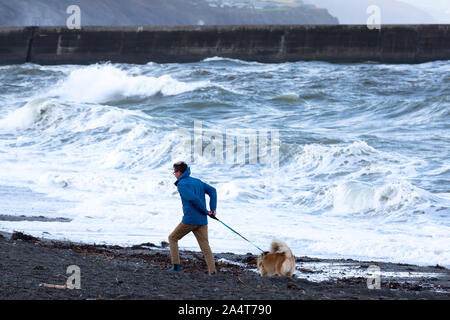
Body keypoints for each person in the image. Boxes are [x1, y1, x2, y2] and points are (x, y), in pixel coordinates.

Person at [168, 161, 217, 275]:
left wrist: (207, 211)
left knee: (172, 238)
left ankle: (176, 266)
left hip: (190, 220)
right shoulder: (197, 181)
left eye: (174, 172)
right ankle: (212, 272)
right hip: (202, 221)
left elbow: (194, 199)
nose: (174, 174)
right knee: (205, 246)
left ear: (179, 172)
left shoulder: (182, 184)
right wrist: (212, 210)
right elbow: (212, 191)